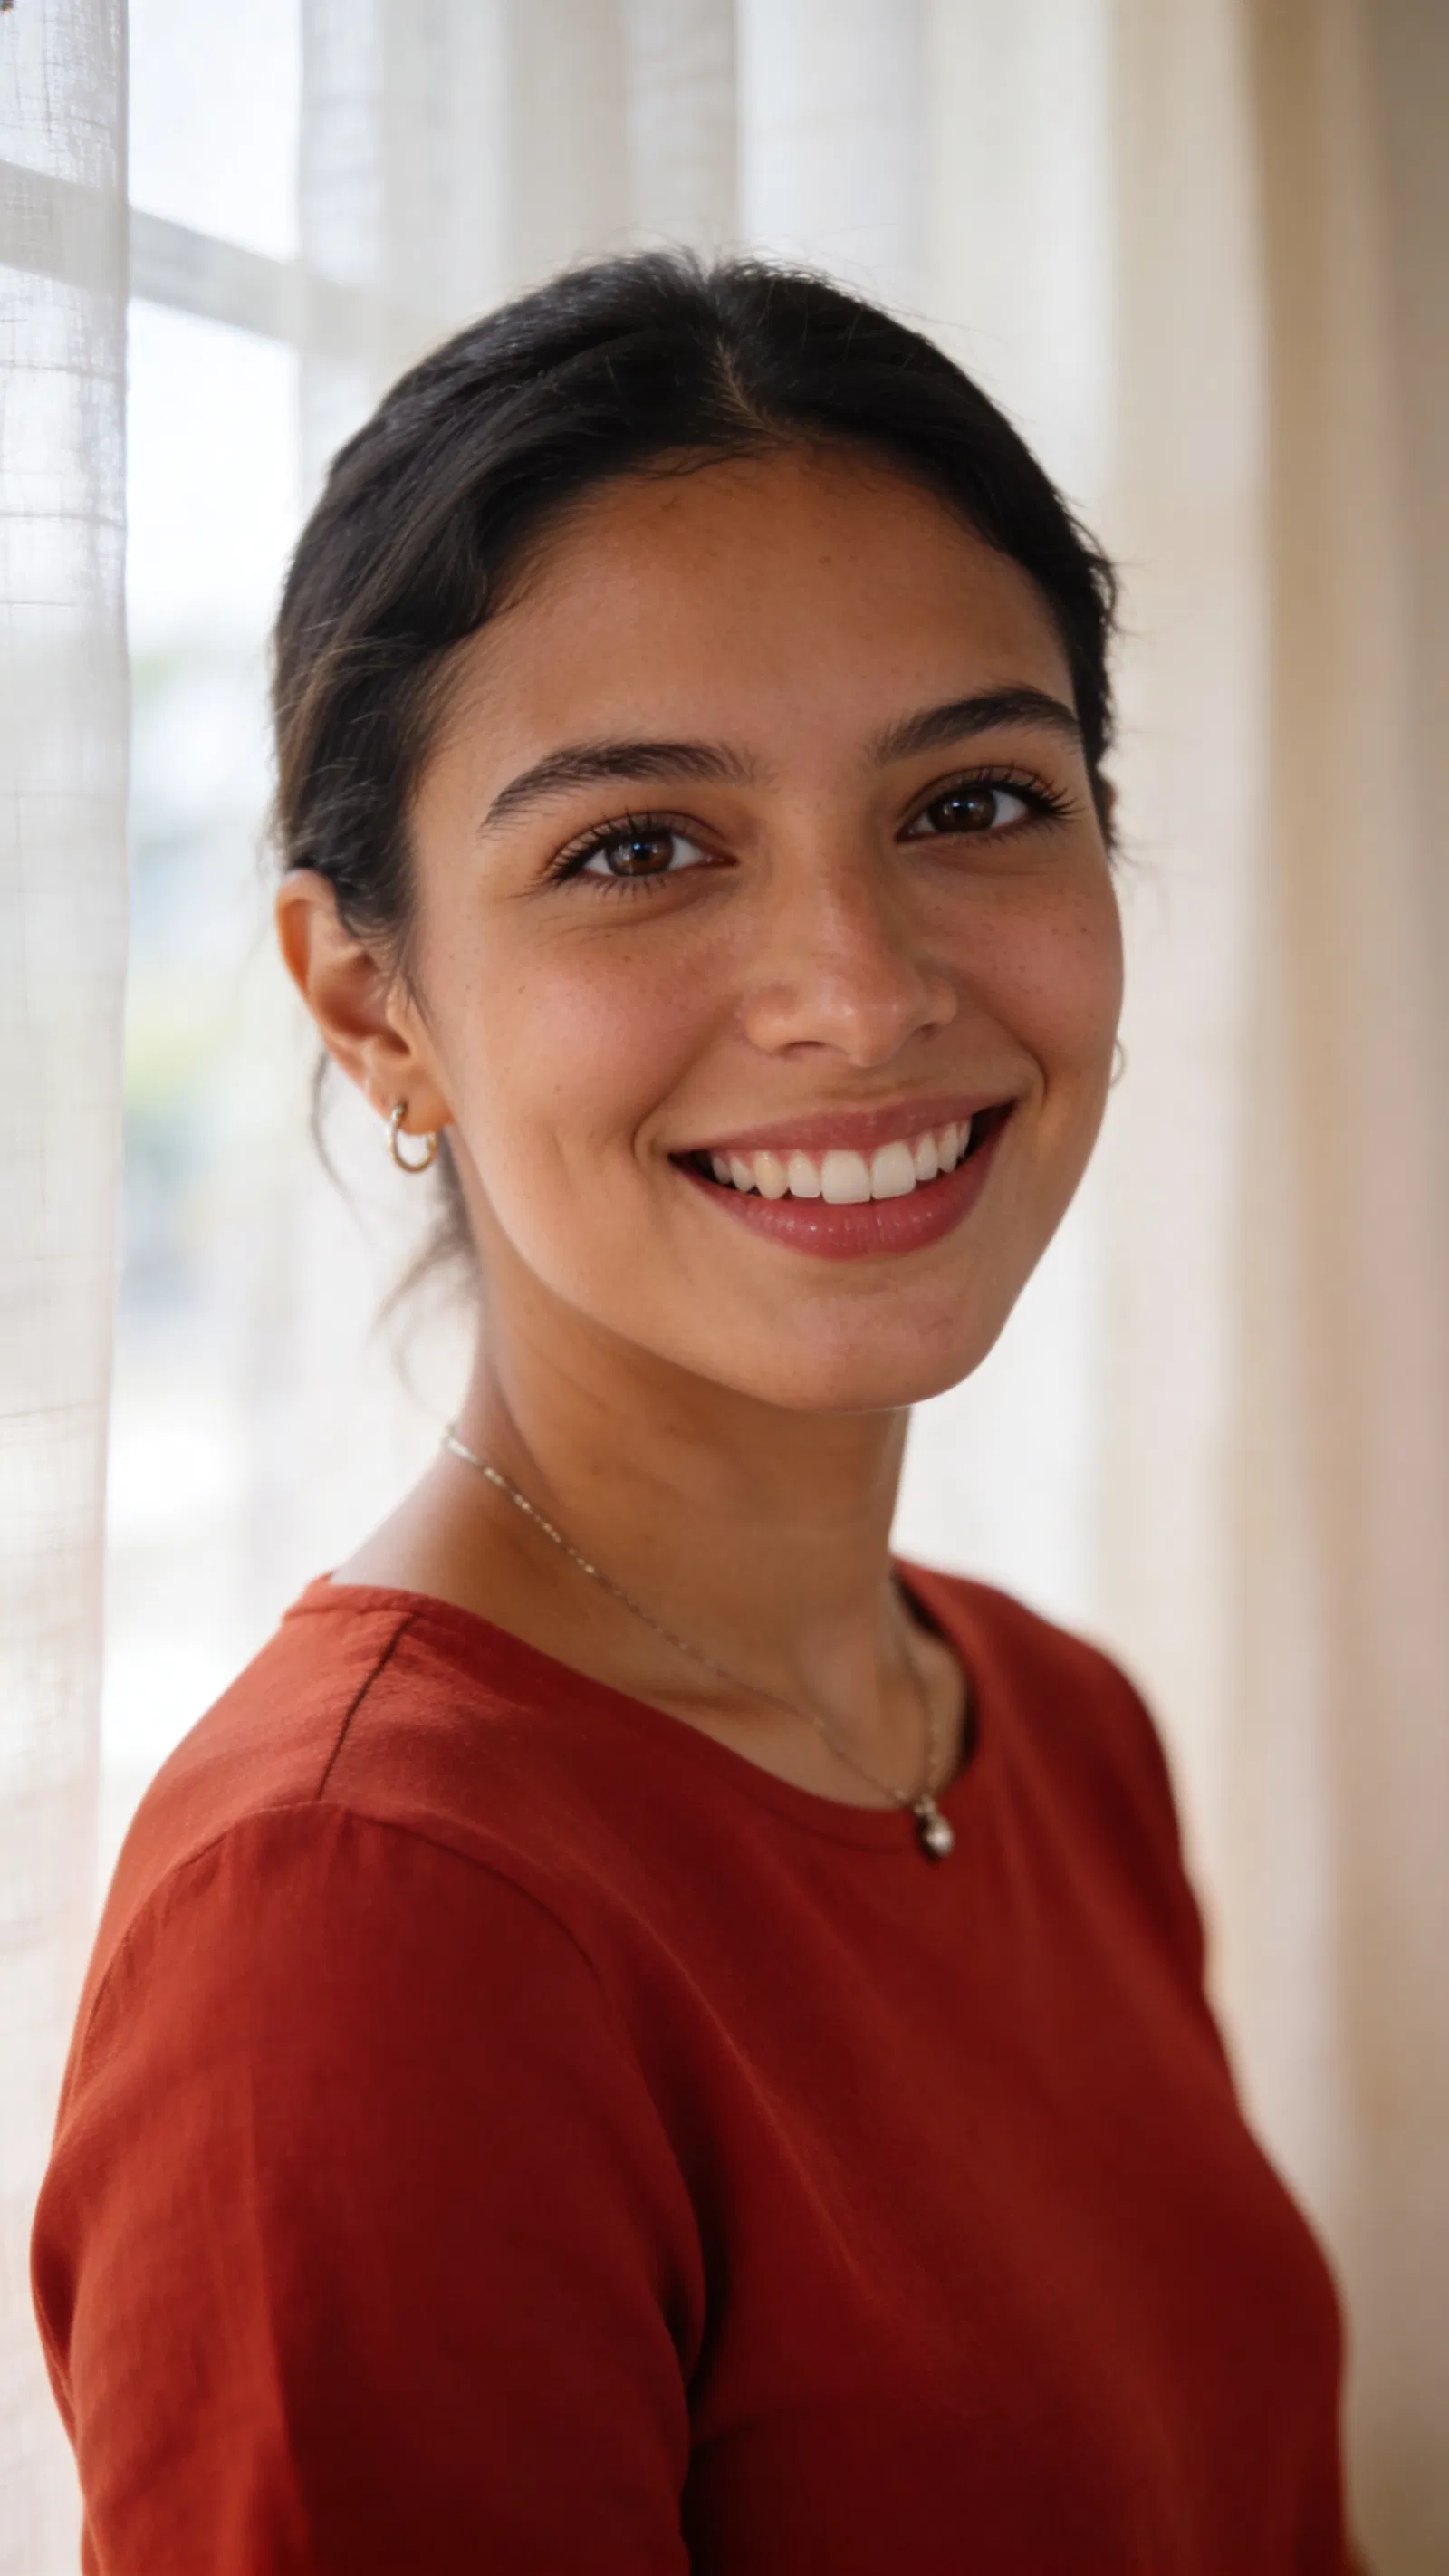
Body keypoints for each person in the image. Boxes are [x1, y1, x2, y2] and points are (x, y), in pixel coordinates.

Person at [32, 253, 1351, 2573]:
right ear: (371, 1005)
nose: (860, 992)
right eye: (638, 847)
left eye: (972, 799)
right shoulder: (363, 1931)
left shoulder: (1048, 1728)